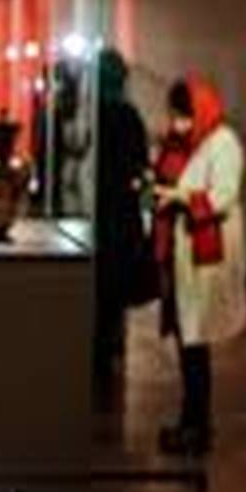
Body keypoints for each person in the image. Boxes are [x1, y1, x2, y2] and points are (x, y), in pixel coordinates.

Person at [153, 76, 246, 455]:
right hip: (184, 255)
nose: (178, 123)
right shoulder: (186, 143)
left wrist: (178, 197)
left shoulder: (223, 143)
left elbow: (223, 194)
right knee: (188, 343)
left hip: (204, 256)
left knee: (196, 343)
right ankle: (190, 422)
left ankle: (197, 426)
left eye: (183, 115)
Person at [92, 49, 150, 381]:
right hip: (121, 214)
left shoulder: (92, 112)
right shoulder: (128, 115)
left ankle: (101, 354)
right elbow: (139, 164)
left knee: (101, 292)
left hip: (98, 212)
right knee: (113, 295)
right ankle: (110, 351)